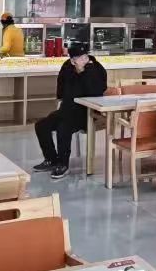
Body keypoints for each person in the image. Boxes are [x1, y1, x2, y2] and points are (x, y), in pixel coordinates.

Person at [34, 43, 107, 180]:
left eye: (85, 56)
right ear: (73, 61)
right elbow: (61, 89)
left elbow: (97, 92)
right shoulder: (67, 67)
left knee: (63, 127)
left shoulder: (95, 68)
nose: (84, 60)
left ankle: (63, 164)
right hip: (67, 110)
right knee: (41, 125)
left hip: (87, 113)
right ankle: (51, 159)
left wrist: (84, 73)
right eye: (80, 58)